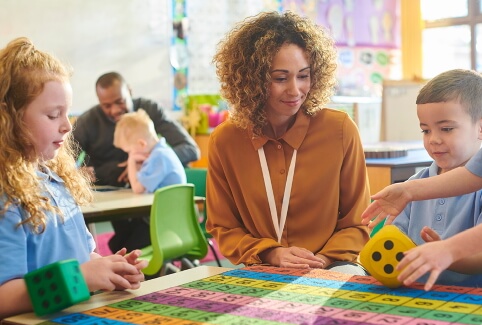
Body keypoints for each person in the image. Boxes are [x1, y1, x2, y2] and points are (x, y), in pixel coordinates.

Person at [206, 11, 371, 274]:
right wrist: (272, 253)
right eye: (280, 78)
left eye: (303, 76)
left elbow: (358, 222)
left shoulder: (340, 130)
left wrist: (323, 261)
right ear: (253, 80)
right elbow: (223, 227)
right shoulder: (225, 141)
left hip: (333, 265)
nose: (295, 90)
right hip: (261, 264)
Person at [0, 37, 147, 319]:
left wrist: (108, 269)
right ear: (11, 119)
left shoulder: (54, 179)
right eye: (54, 115)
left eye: (67, 113)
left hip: (76, 318)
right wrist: (83, 276)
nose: (67, 125)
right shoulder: (6, 194)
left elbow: (82, 257)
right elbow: (5, 297)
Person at [73, 72, 199, 252]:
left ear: (129, 92)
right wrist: (83, 172)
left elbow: (190, 149)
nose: (115, 110)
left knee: (133, 245)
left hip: (152, 197)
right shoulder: (88, 122)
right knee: (120, 245)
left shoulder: (147, 111)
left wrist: (153, 161)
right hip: (112, 196)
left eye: (120, 101)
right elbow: (63, 160)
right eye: (106, 106)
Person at [386, 69, 482, 287]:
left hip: (470, 299)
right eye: (425, 131)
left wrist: (446, 254)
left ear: (480, 128)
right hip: (415, 294)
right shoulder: (413, 186)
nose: (434, 140)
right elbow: (394, 242)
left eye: (447, 129)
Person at [113, 108, 186, 194]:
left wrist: (131, 162)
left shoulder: (158, 157)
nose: (131, 154)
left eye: (130, 151)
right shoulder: (163, 151)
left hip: (169, 207)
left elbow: (138, 189)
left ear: (142, 144)